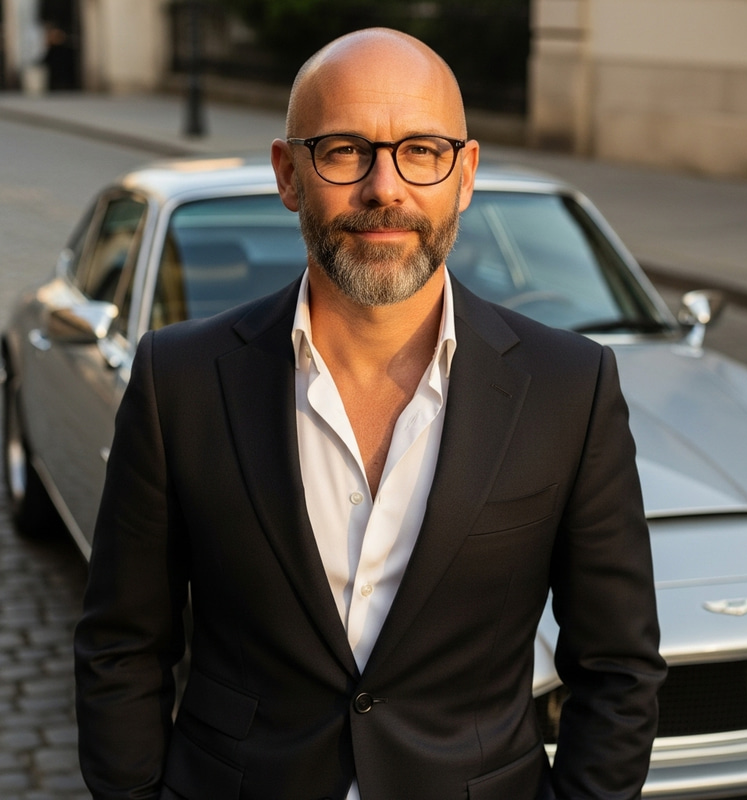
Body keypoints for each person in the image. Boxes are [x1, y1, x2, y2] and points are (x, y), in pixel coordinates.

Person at [74, 27, 666, 800]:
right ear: (289, 174)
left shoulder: (569, 386)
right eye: (345, 150)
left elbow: (618, 669)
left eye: (421, 150)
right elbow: (121, 649)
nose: (385, 187)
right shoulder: (178, 380)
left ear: (465, 174)